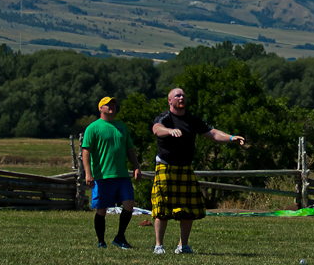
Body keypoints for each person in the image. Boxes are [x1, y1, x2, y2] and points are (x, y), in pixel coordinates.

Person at [151, 87, 244, 255]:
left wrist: (231, 138)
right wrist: (169, 131)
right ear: (170, 101)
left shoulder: (192, 120)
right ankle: (159, 246)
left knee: (188, 210)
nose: (181, 98)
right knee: (162, 209)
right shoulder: (165, 118)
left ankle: (183, 246)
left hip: (185, 167)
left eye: (183, 95)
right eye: (177, 95)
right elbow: (157, 129)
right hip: (166, 166)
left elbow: (213, 133)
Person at [82, 96, 142, 250]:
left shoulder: (122, 127)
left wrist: (136, 166)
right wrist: (88, 174)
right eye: (108, 105)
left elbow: (130, 149)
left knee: (129, 203)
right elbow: (86, 151)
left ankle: (120, 237)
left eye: (114, 104)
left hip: (121, 174)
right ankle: (101, 241)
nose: (112, 107)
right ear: (100, 108)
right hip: (102, 176)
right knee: (101, 209)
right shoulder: (93, 128)